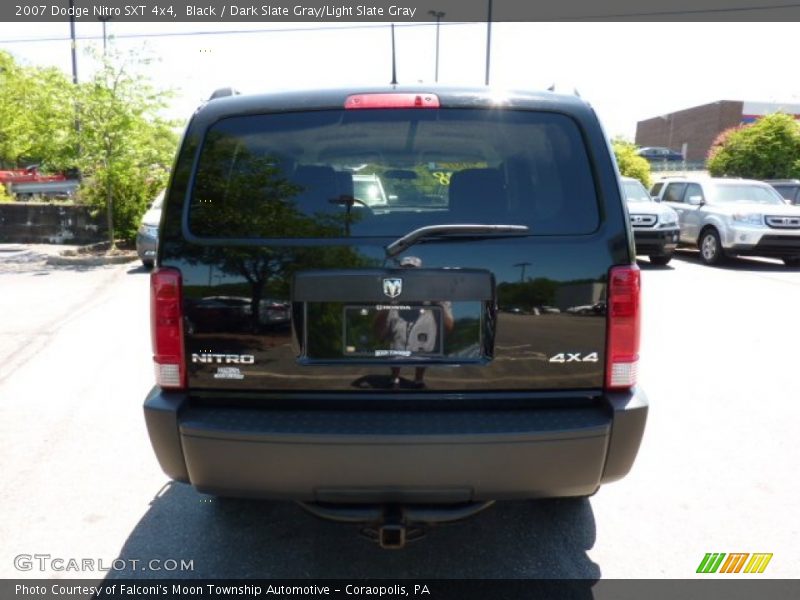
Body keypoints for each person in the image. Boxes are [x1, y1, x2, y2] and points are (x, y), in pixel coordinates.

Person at [377, 256, 454, 389]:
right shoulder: (391, 295)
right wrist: (387, 302)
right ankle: (394, 378)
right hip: (398, 339)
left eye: (414, 272)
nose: (410, 277)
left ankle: (418, 379)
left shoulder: (436, 294)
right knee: (396, 348)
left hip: (424, 340)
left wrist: (437, 302)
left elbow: (449, 326)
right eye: (405, 272)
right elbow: (379, 331)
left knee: (424, 350)